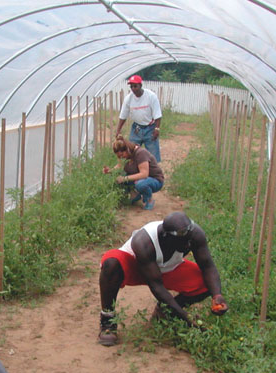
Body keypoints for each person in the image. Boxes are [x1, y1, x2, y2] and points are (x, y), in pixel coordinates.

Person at [97, 211, 228, 346]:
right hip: (136, 267)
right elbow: (156, 286)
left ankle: (166, 312)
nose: (188, 246)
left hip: (167, 269)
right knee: (111, 262)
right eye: (184, 243)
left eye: (190, 241)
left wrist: (217, 295)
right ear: (166, 237)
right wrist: (185, 317)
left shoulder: (194, 234)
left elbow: (207, 266)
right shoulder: (143, 242)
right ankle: (108, 319)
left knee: (206, 283)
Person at [102, 136, 164, 210]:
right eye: (119, 156)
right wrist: (110, 171)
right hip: (141, 179)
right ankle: (134, 195)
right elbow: (119, 167)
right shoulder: (127, 156)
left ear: (127, 150)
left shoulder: (141, 153)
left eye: (122, 155)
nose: (122, 158)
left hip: (155, 180)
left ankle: (149, 200)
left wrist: (124, 178)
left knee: (140, 184)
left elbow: (144, 174)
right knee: (119, 177)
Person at [113, 75, 163, 162]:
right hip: (137, 128)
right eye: (131, 86)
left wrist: (157, 128)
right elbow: (123, 116)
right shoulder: (128, 99)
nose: (133, 88)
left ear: (140, 85)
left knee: (152, 155)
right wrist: (118, 130)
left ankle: (153, 172)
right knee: (131, 152)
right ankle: (133, 172)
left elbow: (157, 115)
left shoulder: (151, 96)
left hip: (150, 128)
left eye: (135, 86)